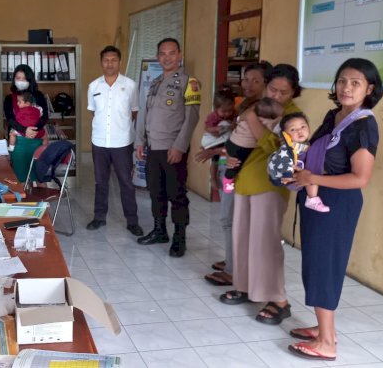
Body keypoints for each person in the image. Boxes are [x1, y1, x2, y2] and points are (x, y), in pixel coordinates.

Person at [286, 58, 382, 362]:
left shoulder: (363, 125)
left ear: (370, 88)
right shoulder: (336, 115)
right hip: (317, 199)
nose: (346, 87)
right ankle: (323, 328)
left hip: (337, 204)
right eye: (342, 80)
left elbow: (360, 178)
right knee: (315, 264)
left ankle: (327, 343)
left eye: (356, 82)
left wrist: (312, 178)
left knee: (324, 267)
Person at [218, 63, 303, 327]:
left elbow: (273, 146)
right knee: (242, 238)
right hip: (245, 182)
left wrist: (252, 120)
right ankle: (245, 287)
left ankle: (279, 300)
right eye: (273, 89)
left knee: (265, 244)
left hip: (269, 187)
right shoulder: (259, 105)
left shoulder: (293, 116)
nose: (276, 96)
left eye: (283, 92)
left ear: (293, 92)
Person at [197, 61, 273, 286]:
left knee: (230, 220)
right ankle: (232, 260)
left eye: (255, 80)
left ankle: (233, 270)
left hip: (242, 171)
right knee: (230, 219)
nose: (248, 84)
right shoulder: (244, 105)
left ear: (265, 83)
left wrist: (216, 150)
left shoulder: (262, 109)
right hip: (231, 169)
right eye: (245, 79)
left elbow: (257, 144)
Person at [134, 38, 201, 257]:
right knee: (156, 191)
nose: (167, 57)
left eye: (171, 53)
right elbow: (145, 115)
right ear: (157, 56)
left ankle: (179, 238)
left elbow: (191, 118)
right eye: (162, 53)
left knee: (177, 194)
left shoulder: (189, 83)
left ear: (180, 55)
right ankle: (159, 230)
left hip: (173, 149)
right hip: (153, 147)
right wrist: (140, 141)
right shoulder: (155, 82)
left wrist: (180, 146)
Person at [85, 45, 142, 236]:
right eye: (106, 60)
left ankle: (132, 221)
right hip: (99, 141)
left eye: (114, 60)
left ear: (119, 62)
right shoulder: (94, 86)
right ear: (101, 62)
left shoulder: (131, 85)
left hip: (122, 142)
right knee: (101, 182)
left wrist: (121, 127)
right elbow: (93, 111)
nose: (110, 63)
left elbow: (134, 111)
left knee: (126, 181)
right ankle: (99, 217)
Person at [267, 112, 329, 212]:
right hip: (281, 175)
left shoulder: (304, 144)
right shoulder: (288, 148)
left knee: (310, 170)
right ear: (285, 135)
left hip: (291, 174)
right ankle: (312, 199)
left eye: (303, 126)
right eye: (293, 129)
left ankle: (312, 198)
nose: (299, 131)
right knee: (310, 173)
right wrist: (287, 175)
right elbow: (285, 160)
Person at [221, 97, 284, 193]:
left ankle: (228, 178)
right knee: (235, 165)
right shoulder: (265, 121)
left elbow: (239, 120)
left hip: (231, 141)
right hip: (241, 146)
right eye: (279, 113)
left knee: (233, 164)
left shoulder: (248, 116)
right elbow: (277, 129)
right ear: (270, 115)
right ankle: (227, 181)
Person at [3, 64, 49, 181]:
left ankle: (40, 198)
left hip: (37, 140)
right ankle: (25, 198)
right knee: (21, 177)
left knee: (39, 176)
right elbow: (10, 119)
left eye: (24, 79)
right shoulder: (9, 98)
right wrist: (25, 131)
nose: (21, 81)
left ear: (30, 80)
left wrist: (35, 130)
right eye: (18, 78)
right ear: (14, 80)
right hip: (18, 143)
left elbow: (45, 116)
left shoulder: (38, 96)